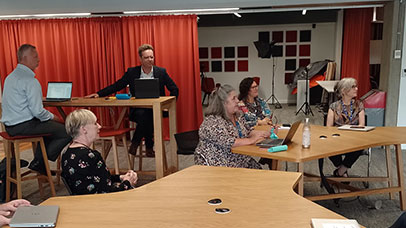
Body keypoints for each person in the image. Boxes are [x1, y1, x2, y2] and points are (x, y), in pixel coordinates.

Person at [86, 44, 179, 157]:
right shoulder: (132, 72)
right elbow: (117, 85)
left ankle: (135, 143)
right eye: (147, 57)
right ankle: (149, 146)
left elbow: (174, 89)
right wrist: (99, 93)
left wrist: (168, 105)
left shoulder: (161, 72)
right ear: (140, 59)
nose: (150, 60)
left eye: (152, 57)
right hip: (138, 111)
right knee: (146, 115)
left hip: (156, 110)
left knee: (148, 115)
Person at [1, 44, 71, 175]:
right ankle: (40, 161)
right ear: (24, 58)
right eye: (35, 56)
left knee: (48, 127)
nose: (38, 59)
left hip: (10, 126)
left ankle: (40, 162)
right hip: (24, 125)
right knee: (68, 130)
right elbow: (38, 112)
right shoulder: (30, 81)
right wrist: (56, 118)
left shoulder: (10, 77)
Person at [62, 109, 138, 195]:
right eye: (95, 123)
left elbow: (98, 179)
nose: (99, 126)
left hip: (80, 202)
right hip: (99, 203)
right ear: (84, 129)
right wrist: (128, 183)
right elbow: (108, 192)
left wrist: (121, 177)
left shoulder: (66, 153)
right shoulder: (91, 156)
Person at [194, 85, 270, 169]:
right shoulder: (212, 122)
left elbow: (247, 131)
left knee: (261, 174)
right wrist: (251, 140)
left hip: (239, 160)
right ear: (223, 103)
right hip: (218, 165)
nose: (238, 100)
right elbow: (229, 142)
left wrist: (263, 134)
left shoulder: (237, 116)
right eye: (234, 98)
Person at [326, 77, 365, 179]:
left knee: (360, 147)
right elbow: (329, 127)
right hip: (337, 139)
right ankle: (342, 171)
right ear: (344, 91)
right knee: (327, 147)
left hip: (354, 139)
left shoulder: (359, 105)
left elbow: (362, 125)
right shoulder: (333, 107)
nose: (356, 89)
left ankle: (340, 171)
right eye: (353, 87)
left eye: (356, 86)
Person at [238, 77, 274, 168]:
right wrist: (260, 121)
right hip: (251, 133)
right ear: (247, 90)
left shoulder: (261, 101)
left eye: (256, 86)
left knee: (275, 142)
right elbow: (244, 121)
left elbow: (268, 114)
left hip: (265, 130)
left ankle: (269, 161)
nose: (256, 88)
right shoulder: (241, 104)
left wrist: (264, 120)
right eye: (253, 87)